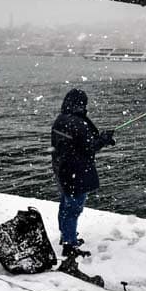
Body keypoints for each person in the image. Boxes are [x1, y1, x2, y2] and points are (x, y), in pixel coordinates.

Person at [50, 88, 115, 257]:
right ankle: (69, 245)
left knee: (65, 204)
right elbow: (89, 148)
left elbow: (71, 145)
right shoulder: (79, 123)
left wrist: (100, 139)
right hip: (76, 173)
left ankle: (66, 237)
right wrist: (104, 139)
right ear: (81, 104)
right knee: (73, 209)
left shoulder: (60, 120)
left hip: (62, 170)